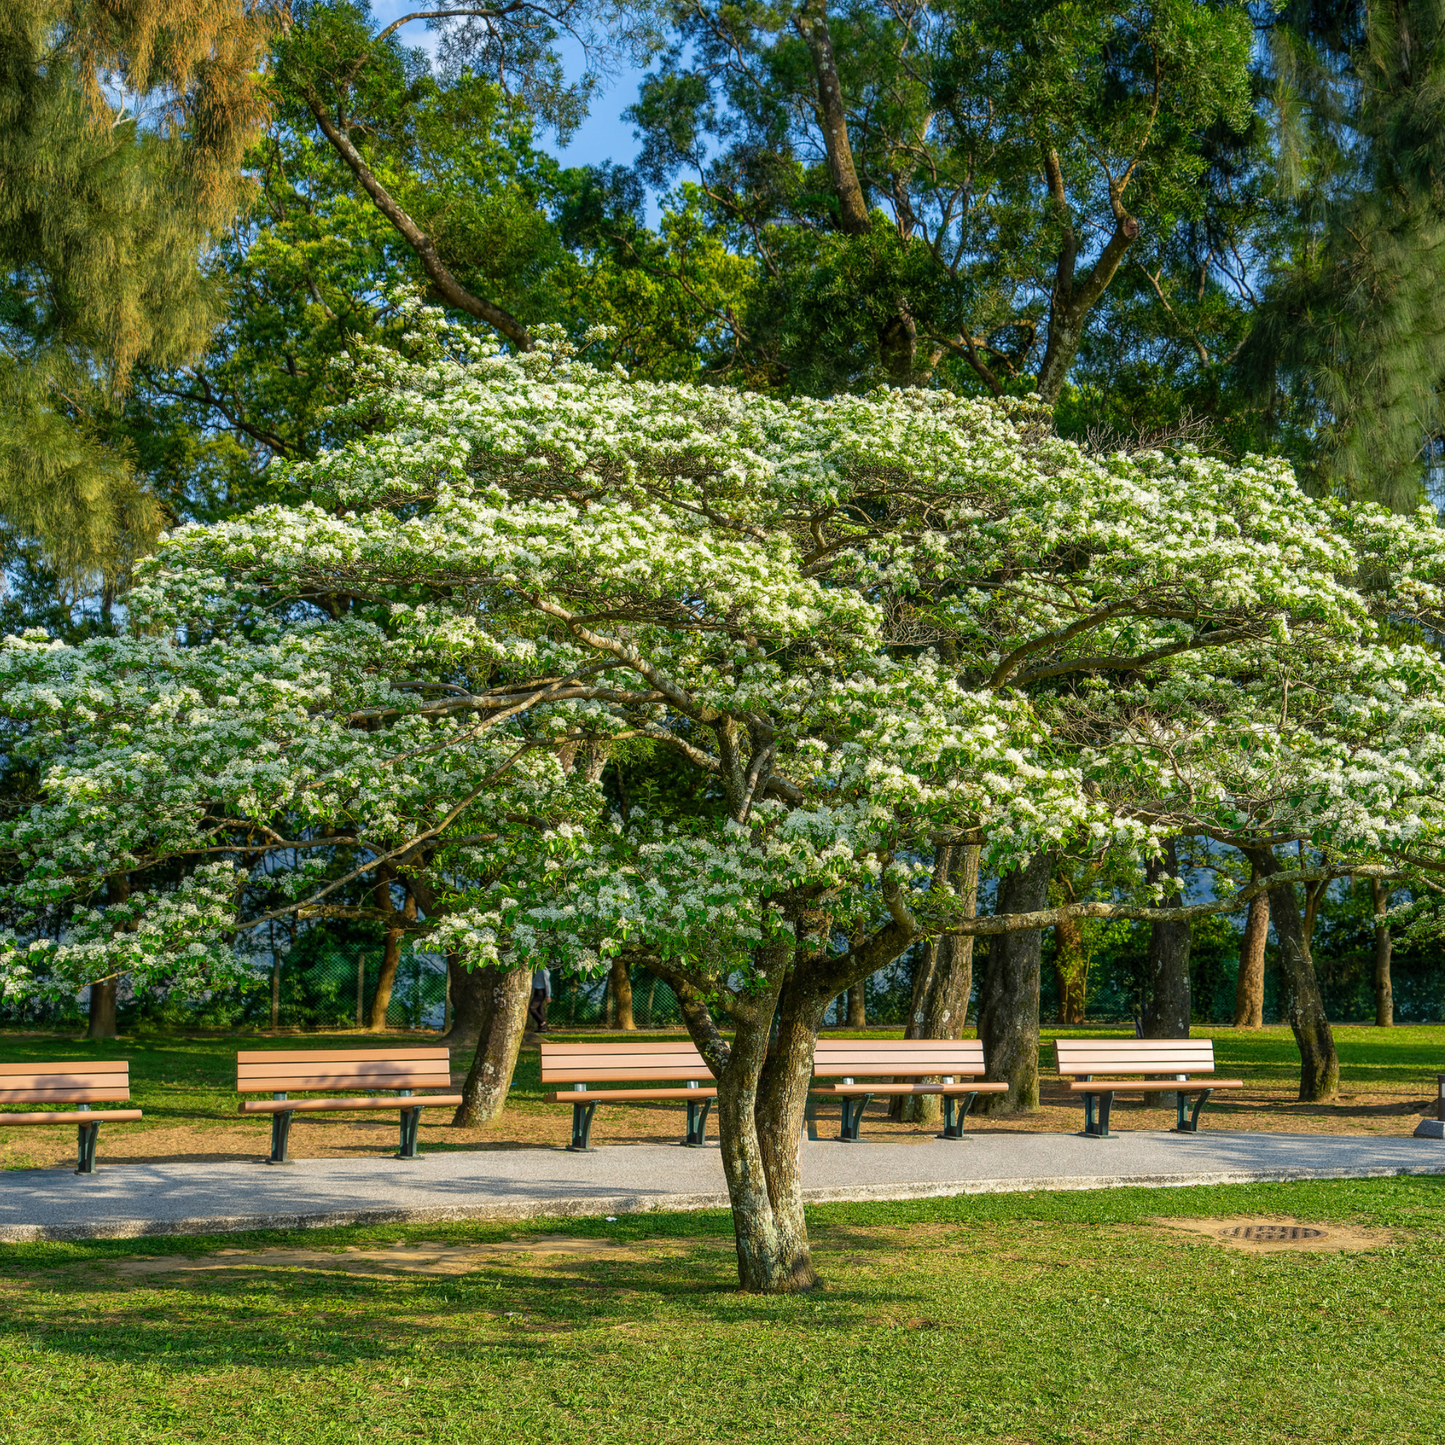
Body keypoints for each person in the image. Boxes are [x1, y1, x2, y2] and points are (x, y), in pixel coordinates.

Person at [528, 966, 551, 1031]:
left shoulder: (544, 970)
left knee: (532, 1008)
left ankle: (542, 1022)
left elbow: (547, 982)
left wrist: (548, 995)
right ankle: (542, 1028)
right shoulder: (537, 969)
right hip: (537, 990)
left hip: (541, 991)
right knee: (539, 1009)